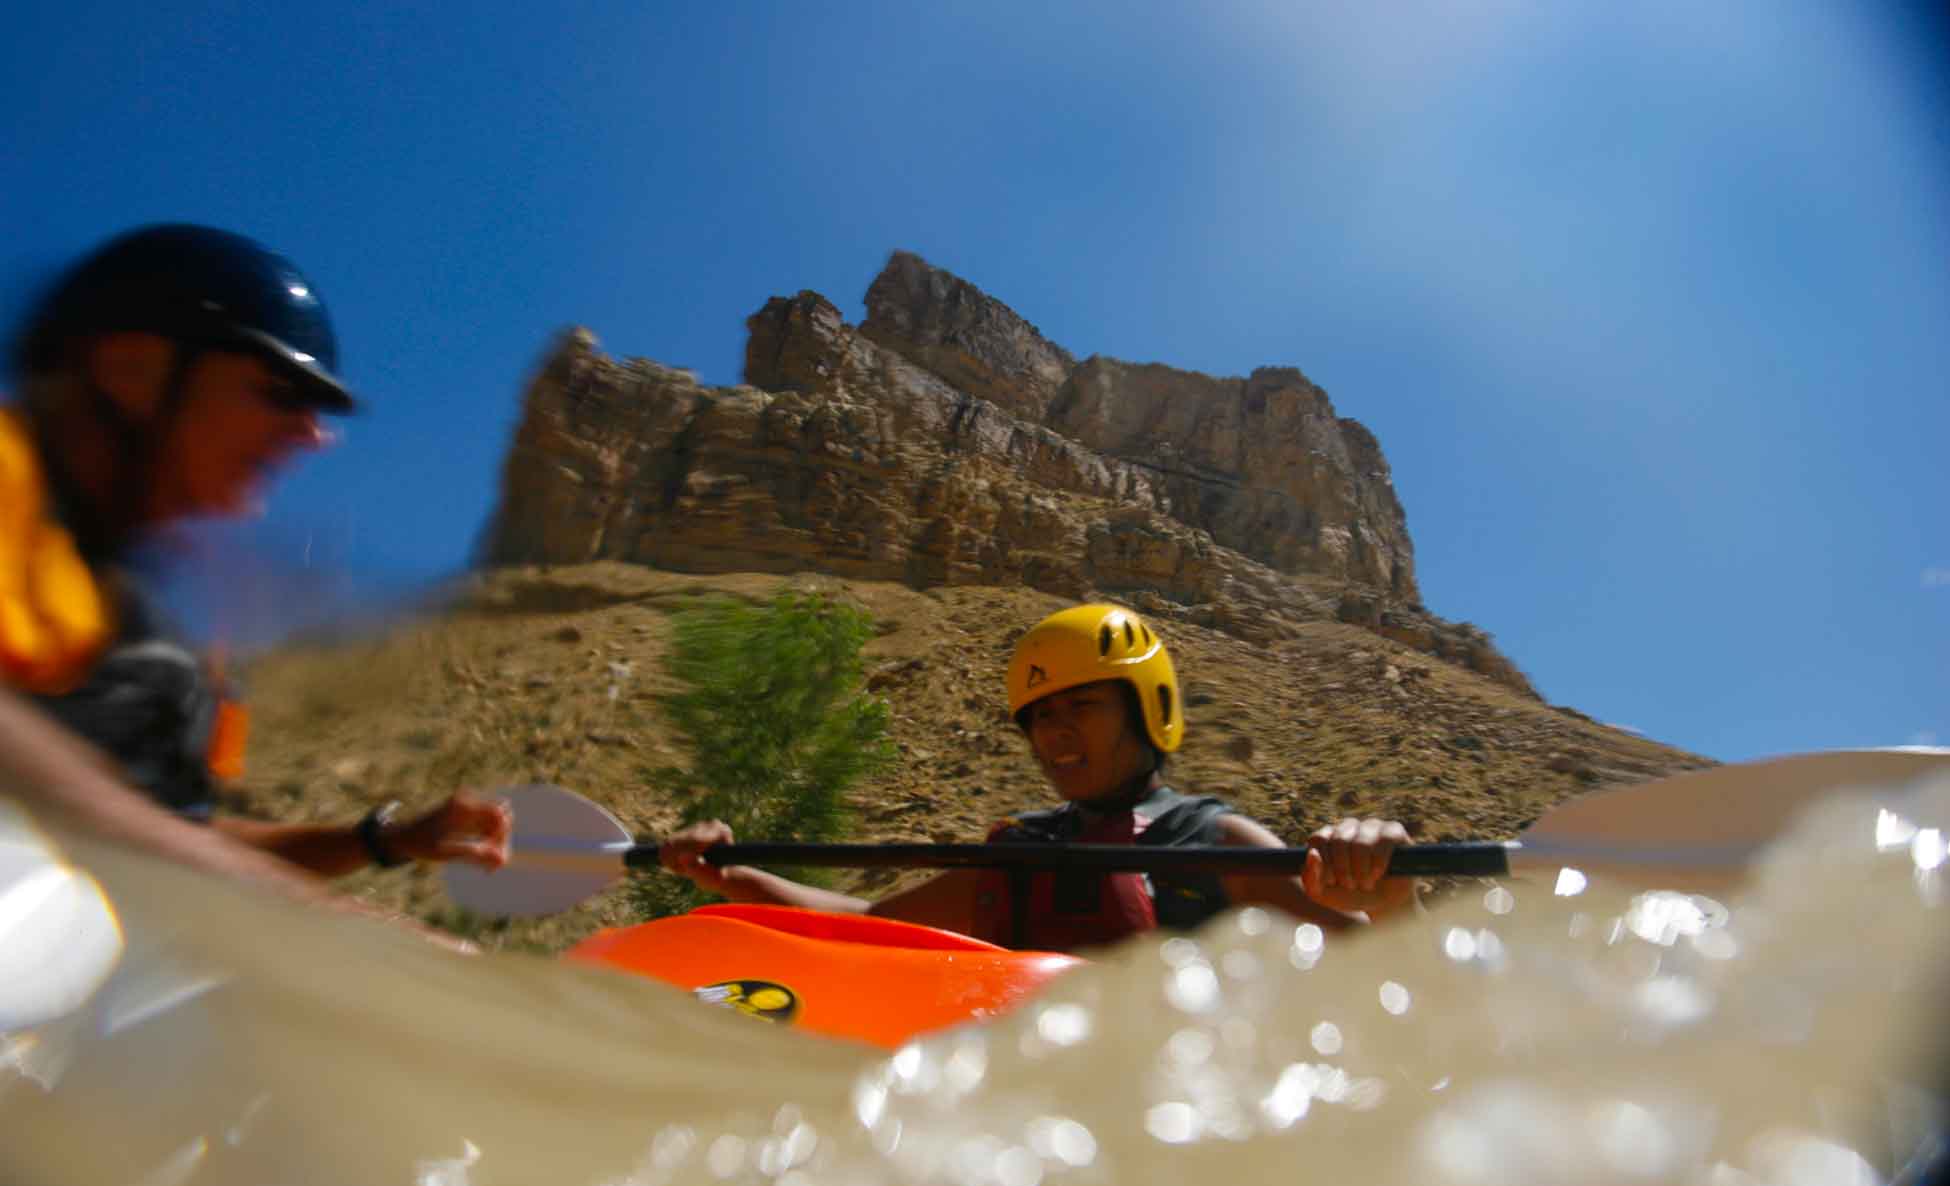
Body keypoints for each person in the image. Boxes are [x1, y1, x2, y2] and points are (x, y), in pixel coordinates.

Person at [1, 223, 507, 914]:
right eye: (280, 392)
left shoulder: (137, 626)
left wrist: (383, 840)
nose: (315, 434)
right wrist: (307, 916)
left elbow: (179, 839)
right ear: (133, 371)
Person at [659, 602, 1415, 950]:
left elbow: (1393, 975)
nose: (1053, 731)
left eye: (1082, 706)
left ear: (1148, 711)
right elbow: (862, 927)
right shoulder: (1021, 854)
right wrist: (734, 878)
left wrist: (1393, 898)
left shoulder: (1218, 843)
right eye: (1039, 717)